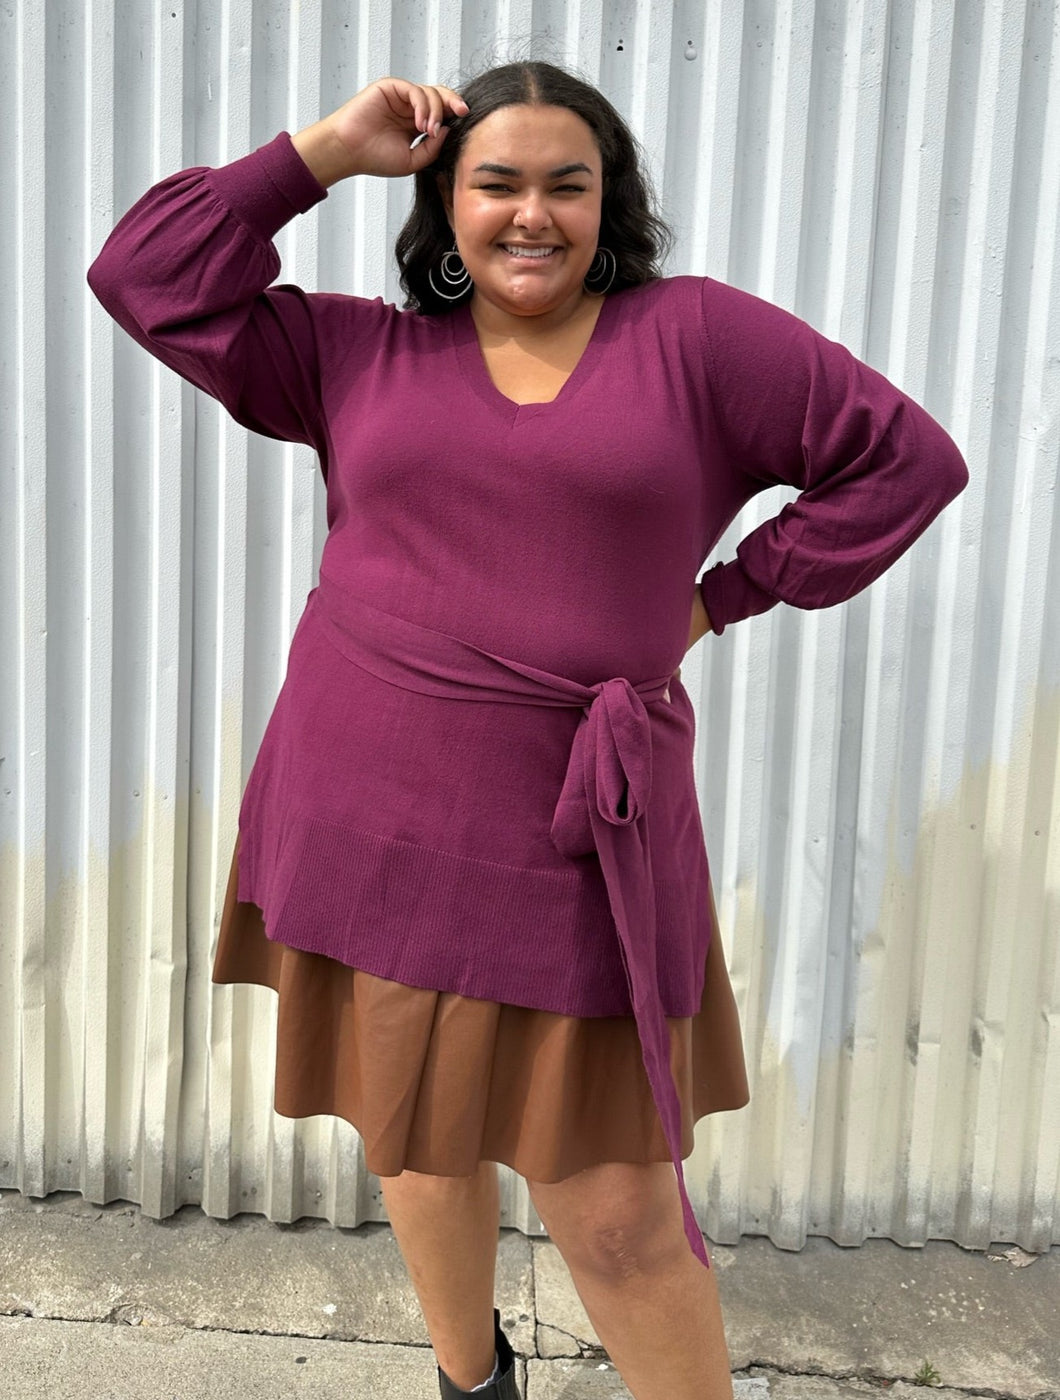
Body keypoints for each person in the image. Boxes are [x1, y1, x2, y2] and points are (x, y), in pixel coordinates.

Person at [87, 61, 968, 1400]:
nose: (532, 215)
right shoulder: (354, 351)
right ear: (445, 202)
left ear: (609, 205)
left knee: (616, 1213)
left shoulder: (696, 339)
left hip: (575, 837)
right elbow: (143, 274)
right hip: (365, 803)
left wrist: (722, 598)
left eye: (569, 183)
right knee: (416, 1135)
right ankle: (468, 1380)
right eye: (496, 183)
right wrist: (325, 149)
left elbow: (906, 459)